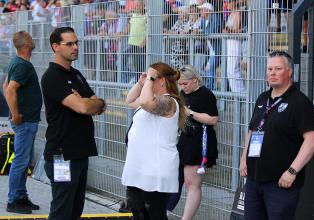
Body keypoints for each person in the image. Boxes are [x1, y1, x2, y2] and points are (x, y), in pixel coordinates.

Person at [239, 51, 314, 220]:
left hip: (280, 183)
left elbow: (312, 139)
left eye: (278, 69)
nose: (272, 73)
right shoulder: (262, 98)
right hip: (254, 180)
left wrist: (292, 171)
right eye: (269, 69)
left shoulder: (300, 102)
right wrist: (243, 158)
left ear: (289, 72)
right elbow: (253, 130)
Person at [41, 27, 106, 220]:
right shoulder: (52, 76)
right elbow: (84, 108)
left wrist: (94, 103)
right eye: (69, 44)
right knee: (62, 209)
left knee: (75, 209)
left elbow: (98, 106)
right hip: (61, 156)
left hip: (80, 153)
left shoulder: (76, 74)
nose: (76, 47)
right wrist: (87, 103)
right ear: (55, 47)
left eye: (76, 43)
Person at [121, 62, 186, 220]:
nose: (148, 80)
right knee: (138, 214)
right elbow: (130, 101)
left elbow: (145, 103)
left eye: (152, 77)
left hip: (155, 171)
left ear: (162, 81)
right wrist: (141, 82)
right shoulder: (153, 98)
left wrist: (148, 81)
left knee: (154, 215)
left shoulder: (169, 101)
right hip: (139, 168)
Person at [168, 65, 218, 220]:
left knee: (192, 183)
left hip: (199, 142)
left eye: (185, 84)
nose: (183, 87)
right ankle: (166, 211)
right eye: (180, 84)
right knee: (175, 179)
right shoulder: (183, 93)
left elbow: (212, 119)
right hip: (185, 139)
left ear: (195, 80)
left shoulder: (206, 94)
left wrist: (191, 113)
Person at [2, 31, 42, 214]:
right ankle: (14, 201)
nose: (33, 40)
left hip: (26, 121)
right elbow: (9, 90)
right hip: (25, 121)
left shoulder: (17, 63)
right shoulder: (22, 65)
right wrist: (16, 114)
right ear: (26, 44)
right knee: (21, 161)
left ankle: (21, 196)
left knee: (24, 161)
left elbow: (5, 86)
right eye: (31, 38)